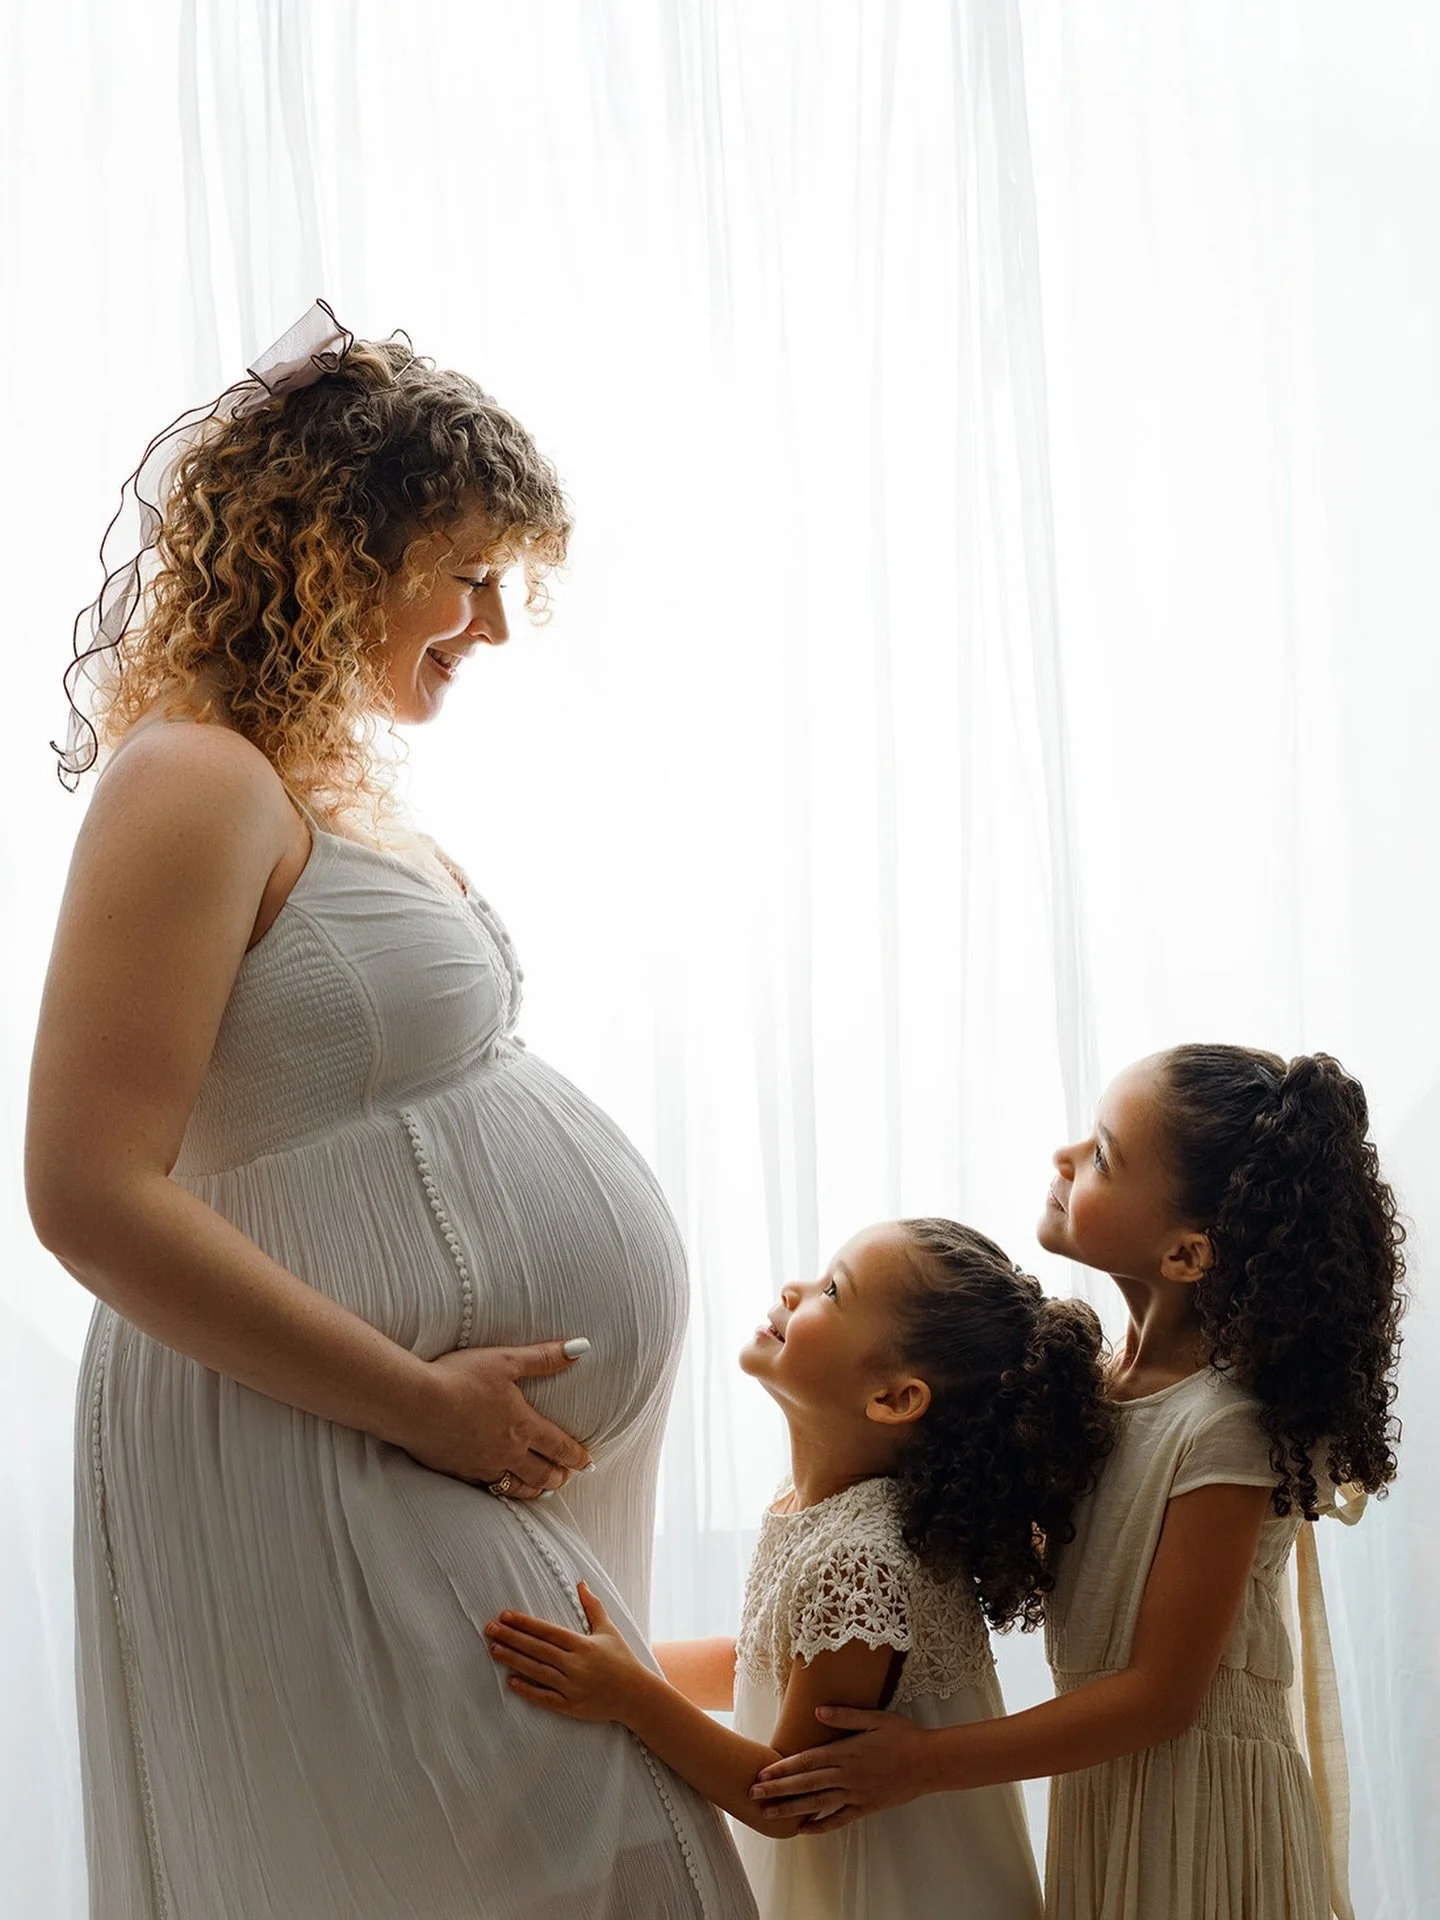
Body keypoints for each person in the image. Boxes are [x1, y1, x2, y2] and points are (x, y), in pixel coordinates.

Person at [26, 303, 757, 1919]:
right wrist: (423, 1408)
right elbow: (86, 1190)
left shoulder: (312, 786)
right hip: (327, 1438)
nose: (495, 625)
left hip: (410, 1451)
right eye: (471, 573)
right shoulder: (192, 777)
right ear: (335, 553)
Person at [748, 1046, 1406, 1920]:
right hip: (1106, 1799)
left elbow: (1161, 1699)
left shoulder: (1224, 1428)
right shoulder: (1089, 1393)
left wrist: (919, 1763)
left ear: (1186, 1254)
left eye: (1100, 1154)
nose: (1065, 1158)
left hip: (1200, 1814)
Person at [484, 1216, 1115, 1919]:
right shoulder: (821, 1514)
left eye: (833, 1291)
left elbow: (784, 1795)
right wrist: (621, 1657)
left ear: (894, 1398)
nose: (795, 1287)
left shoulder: (860, 1559)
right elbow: (765, 1667)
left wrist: (629, 1693)